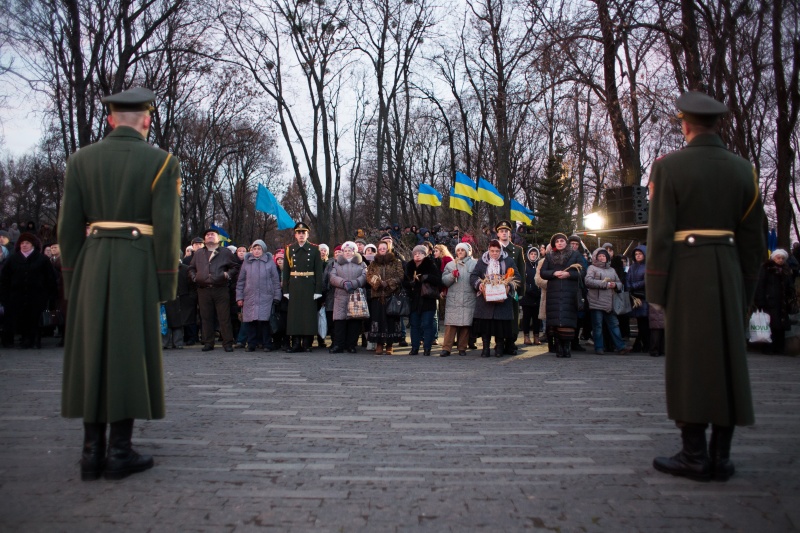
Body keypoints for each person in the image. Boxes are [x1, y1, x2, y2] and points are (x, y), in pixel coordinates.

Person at [58, 87, 181, 481]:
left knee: (91, 352)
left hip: (91, 265)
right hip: (137, 265)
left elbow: (67, 229)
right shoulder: (161, 162)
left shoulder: (80, 160)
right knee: (128, 353)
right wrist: (166, 284)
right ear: (146, 120)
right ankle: (120, 451)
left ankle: (91, 452)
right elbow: (166, 229)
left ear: (110, 120)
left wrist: (72, 280)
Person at [647, 91, 767, 482]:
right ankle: (722, 456)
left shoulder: (670, 167)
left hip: (687, 271)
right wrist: (747, 289)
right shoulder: (743, 169)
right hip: (730, 270)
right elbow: (754, 240)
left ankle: (693, 453)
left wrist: (656, 290)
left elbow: (661, 232)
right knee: (729, 359)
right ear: (717, 124)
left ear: (685, 124)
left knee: (689, 360)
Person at [0, 232, 57, 348]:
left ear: (33, 245)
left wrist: (49, 294)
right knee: (20, 318)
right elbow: (4, 278)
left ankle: (33, 339)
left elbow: (50, 278)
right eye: (22, 243)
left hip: (36, 295)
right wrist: (5, 295)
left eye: (27, 243)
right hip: (16, 295)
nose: (24, 245)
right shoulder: (13, 259)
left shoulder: (42, 259)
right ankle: (23, 339)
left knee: (34, 318)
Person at [188, 228, 239, 352]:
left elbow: (235, 267)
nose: (210, 236)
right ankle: (208, 342)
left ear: (218, 239)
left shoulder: (225, 252)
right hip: (203, 289)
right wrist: (195, 277)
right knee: (205, 317)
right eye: (207, 235)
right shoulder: (199, 253)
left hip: (220, 289)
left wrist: (227, 275)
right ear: (204, 239)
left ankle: (227, 342)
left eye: (213, 234)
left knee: (224, 317)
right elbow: (191, 268)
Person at [470, 239, 520, 357]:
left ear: (501, 251)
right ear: (488, 250)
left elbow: (517, 277)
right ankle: (485, 348)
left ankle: (499, 349)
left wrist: (509, 285)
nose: (494, 254)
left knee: (500, 327)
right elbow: (473, 276)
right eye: (492, 251)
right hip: (485, 300)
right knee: (485, 326)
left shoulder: (508, 261)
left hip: (502, 300)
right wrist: (479, 284)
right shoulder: (482, 261)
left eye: (497, 251)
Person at [282, 222, 324, 352]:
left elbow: (318, 271)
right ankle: (295, 343)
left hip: (308, 285)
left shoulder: (315, 249)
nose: (301, 235)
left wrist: (318, 290)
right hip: (294, 285)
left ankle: (307, 343)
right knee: (294, 315)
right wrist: (286, 290)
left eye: (303, 232)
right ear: (295, 235)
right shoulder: (289, 249)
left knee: (308, 315)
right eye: (299, 232)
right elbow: (286, 271)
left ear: (307, 234)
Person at [539, 233, 583, 358]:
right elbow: (543, 273)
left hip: (569, 293)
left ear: (566, 242)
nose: (560, 243)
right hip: (554, 294)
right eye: (557, 241)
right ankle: (558, 347)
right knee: (555, 322)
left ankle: (567, 347)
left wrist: (569, 275)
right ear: (554, 244)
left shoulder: (575, 255)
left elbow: (582, 272)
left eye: (562, 241)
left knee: (568, 321)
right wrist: (554, 273)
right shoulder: (549, 256)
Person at [236, 239, 282, 352]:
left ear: (263, 250)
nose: (256, 251)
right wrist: (239, 297)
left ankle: (267, 344)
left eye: (259, 249)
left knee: (265, 322)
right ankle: (251, 344)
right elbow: (241, 281)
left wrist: (277, 296)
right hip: (250, 296)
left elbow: (276, 281)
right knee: (251, 322)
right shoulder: (247, 262)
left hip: (266, 297)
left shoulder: (270, 262)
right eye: (254, 249)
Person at [585, 247, 630, 355]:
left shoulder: (612, 270)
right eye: (599, 256)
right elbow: (588, 281)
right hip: (596, 302)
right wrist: (605, 284)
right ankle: (599, 347)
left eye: (604, 256)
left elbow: (619, 283)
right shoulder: (592, 268)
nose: (602, 258)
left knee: (614, 324)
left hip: (610, 302)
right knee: (598, 326)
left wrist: (615, 285)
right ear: (596, 257)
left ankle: (621, 347)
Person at [328, 241, 367, 353]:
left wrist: (354, 283)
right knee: (340, 322)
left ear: (354, 251)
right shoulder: (336, 264)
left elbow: (364, 276)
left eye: (350, 250)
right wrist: (344, 283)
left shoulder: (361, 263)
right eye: (345, 251)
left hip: (356, 296)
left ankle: (351, 345)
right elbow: (332, 277)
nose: (347, 252)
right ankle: (338, 345)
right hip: (341, 296)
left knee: (354, 322)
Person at [366, 241, 404, 354]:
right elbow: (368, 276)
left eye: (384, 248)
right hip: (377, 296)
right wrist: (377, 282)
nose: (382, 249)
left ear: (388, 249)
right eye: (380, 248)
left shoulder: (396, 262)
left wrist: (388, 283)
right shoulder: (373, 263)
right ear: (378, 249)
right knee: (378, 320)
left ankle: (390, 345)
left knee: (390, 321)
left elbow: (400, 276)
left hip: (391, 296)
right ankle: (379, 344)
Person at [754, 249, 794, 355]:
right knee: (769, 325)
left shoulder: (786, 270)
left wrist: (790, 300)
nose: (780, 260)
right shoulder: (766, 269)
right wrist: (760, 300)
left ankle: (779, 348)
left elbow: (790, 287)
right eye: (778, 257)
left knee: (780, 327)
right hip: (769, 301)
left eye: (782, 258)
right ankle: (768, 347)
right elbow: (760, 285)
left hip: (782, 303)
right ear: (773, 258)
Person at [403, 245, 441, 356]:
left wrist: (427, 277)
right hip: (414, 299)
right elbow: (404, 282)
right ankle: (414, 348)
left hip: (428, 299)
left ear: (425, 255)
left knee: (427, 324)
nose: (417, 255)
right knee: (414, 324)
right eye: (415, 254)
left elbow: (439, 281)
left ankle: (427, 348)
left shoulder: (431, 265)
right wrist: (410, 283)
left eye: (420, 253)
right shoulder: (409, 266)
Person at [441, 242, 477, 356]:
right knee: (450, 325)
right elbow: (444, 281)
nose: (460, 252)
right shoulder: (451, 265)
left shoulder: (474, 264)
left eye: (462, 250)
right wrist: (452, 275)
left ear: (467, 251)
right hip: (454, 299)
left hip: (468, 297)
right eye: (458, 250)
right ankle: (446, 348)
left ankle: (462, 347)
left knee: (465, 325)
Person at [495, 220, 525, 355]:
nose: (504, 233)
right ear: (497, 234)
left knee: (512, 316)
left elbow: (521, 271)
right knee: (498, 317)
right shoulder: (494, 249)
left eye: (506, 231)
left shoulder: (517, 250)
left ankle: (511, 343)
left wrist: (520, 290)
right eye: (501, 231)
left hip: (511, 290)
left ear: (510, 233)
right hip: (495, 290)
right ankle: (499, 343)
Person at [627, 245, 649, 352]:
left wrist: (633, 286)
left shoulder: (648, 266)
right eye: (636, 254)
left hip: (644, 296)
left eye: (640, 254)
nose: (638, 256)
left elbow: (647, 280)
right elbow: (628, 278)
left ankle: (644, 344)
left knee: (644, 321)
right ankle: (640, 344)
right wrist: (629, 286)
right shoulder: (632, 267)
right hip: (635, 297)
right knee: (640, 321)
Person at [520, 246, 542, 346]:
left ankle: (536, 336)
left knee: (537, 318)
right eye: (531, 254)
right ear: (528, 255)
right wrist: (528, 289)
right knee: (526, 318)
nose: (533, 256)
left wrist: (539, 290)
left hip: (538, 296)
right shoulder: (524, 266)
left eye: (535, 254)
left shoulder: (540, 265)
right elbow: (522, 280)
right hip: (527, 296)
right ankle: (526, 336)